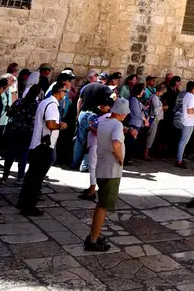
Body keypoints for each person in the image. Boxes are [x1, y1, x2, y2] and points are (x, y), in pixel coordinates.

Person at [18, 73, 71, 216]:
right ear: (59, 91)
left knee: (31, 176)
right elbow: (50, 124)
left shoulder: (44, 102)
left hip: (37, 144)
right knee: (36, 178)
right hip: (43, 146)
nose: (65, 94)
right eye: (64, 92)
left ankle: (23, 202)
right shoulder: (52, 105)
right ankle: (28, 207)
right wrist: (61, 125)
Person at [85, 96, 127, 252]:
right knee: (103, 206)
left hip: (102, 167)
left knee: (101, 203)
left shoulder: (103, 122)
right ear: (121, 113)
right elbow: (116, 144)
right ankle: (93, 240)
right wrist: (120, 158)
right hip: (111, 170)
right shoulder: (117, 124)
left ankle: (94, 235)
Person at [1, 84, 41, 184]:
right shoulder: (37, 105)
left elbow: (9, 113)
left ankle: (5, 176)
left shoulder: (19, 101)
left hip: (15, 129)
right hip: (28, 131)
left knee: (11, 153)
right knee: (23, 154)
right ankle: (20, 177)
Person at [73, 72, 109, 170]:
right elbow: (114, 98)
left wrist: (78, 114)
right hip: (94, 116)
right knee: (92, 140)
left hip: (83, 114)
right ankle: (85, 165)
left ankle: (75, 163)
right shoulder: (105, 89)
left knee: (79, 140)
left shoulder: (86, 87)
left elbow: (79, 101)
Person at [175, 80, 194, 168]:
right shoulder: (191, 97)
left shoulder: (187, 95)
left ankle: (180, 158)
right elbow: (190, 111)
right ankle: (179, 160)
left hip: (185, 120)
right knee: (183, 142)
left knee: (183, 141)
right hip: (188, 122)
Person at [145, 82, 166, 160]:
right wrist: (163, 107)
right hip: (153, 118)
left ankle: (147, 153)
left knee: (151, 136)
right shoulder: (155, 97)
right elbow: (156, 109)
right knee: (151, 136)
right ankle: (145, 154)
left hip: (154, 119)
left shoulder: (155, 97)